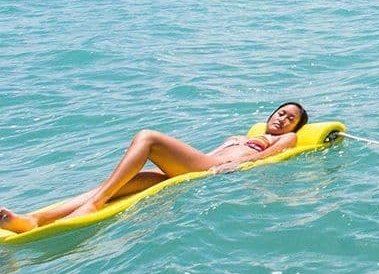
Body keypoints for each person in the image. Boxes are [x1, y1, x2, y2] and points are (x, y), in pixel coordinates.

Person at [1, 101, 311, 234]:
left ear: (296, 126)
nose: (282, 119)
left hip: (213, 169)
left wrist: (236, 164)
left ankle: (94, 204)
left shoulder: (284, 140)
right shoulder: (250, 134)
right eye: (281, 113)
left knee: (148, 138)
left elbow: (263, 159)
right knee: (129, 181)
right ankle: (32, 219)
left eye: (290, 118)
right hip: (203, 162)